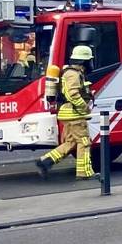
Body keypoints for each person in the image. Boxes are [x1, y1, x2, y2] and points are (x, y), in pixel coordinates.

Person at [36, 45, 98, 180]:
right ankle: (84, 173)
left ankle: (45, 161)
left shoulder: (70, 72)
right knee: (84, 141)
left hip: (67, 113)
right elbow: (72, 94)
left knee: (71, 142)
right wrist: (84, 106)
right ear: (84, 61)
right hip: (74, 114)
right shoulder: (74, 74)